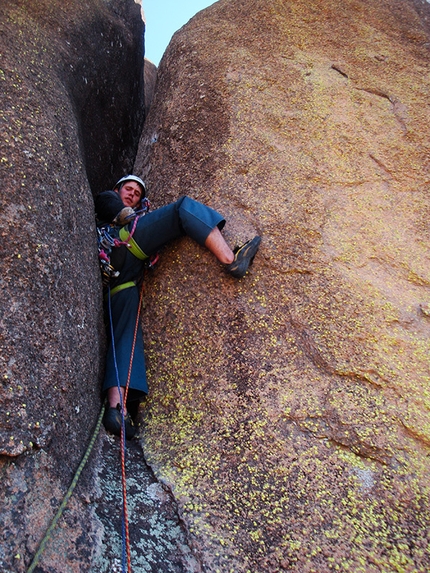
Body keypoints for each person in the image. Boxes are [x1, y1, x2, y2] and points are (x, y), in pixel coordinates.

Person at [95, 175, 261, 439]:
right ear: (118, 189)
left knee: (127, 333)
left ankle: (117, 410)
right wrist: (127, 213)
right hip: (121, 243)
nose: (132, 194)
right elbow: (105, 201)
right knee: (181, 209)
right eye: (128, 189)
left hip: (118, 282)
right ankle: (232, 259)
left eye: (137, 194)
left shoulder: (127, 214)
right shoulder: (111, 204)